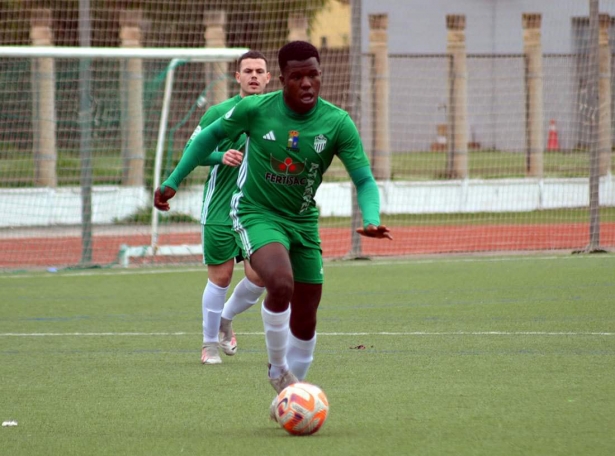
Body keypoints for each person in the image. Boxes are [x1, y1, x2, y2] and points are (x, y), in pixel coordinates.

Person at [154, 41, 392, 392]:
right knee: (280, 282)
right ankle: (277, 370)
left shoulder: (338, 123)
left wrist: (371, 218)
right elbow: (207, 138)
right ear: (282, 79)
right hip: (255, 212)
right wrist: (173, 181)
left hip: (303, 220)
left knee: (307, 313)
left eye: (313, 75)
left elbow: (364, 179)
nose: (307, 83)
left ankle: (294, 393)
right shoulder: (254, 109)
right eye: (298, 77)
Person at [186, 50, 271, 364]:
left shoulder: (277, 113)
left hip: (257, 209)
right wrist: (219, 156)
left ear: (267, 77)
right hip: (221, 206)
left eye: (258, 71)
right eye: (247, 70)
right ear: (237, 77)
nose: (253, 75)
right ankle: (208, 345)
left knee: (262, 274)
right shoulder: (218, 113)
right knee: (220, 277)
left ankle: (224, 319)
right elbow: (191, 152)